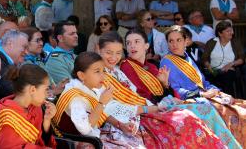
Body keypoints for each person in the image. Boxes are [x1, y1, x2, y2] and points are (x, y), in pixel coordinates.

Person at [54, 51, 225, 148]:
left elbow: (103, 114)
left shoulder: (91, 87)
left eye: (102, 70)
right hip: (80, 140)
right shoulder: (76, 96)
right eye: (97, 71)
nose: (103, 75)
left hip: (101, 130)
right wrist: (102, 103)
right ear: (81, 75)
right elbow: (84, 128)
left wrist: (119, 124)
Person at [97, 32, 226, 148]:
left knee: (209, 110)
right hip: (142, 112)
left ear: (146, 46)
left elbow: (160, 94)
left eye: (137, 42)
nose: (132, 46)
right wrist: (160, 103)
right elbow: (139, 96)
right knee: (192, 116)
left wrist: (165, 85)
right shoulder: (126, 66)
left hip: (155, 106)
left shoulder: (151, 66)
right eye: (129, 43)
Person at [162, 25, 246, 146]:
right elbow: (176, 90)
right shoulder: (167, 61)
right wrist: (202, 93)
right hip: (189, 99)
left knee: (238, 105)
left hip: (204, 95)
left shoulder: (187, 58)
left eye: (178, 40)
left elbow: (204, 82)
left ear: (186, 41)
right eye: (171, 41)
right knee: (229, 112)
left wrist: (219, 92)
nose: (174, 44)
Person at [0, 65, 57, 149]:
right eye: (46, 89)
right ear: (32, 90)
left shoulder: (35, 108)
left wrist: (47, 120)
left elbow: (42, 141)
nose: (47, 94)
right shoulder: (7, 118)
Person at [202, 21, 244, 97]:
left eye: (231, 30)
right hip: (213, 70)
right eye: (228, 31)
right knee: (208, 80)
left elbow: (242, 58)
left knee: (227, 78)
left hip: (228, 70)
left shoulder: (235, 42)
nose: (232, 33)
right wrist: (209, 66)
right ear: (220, 33)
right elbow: (205, 58)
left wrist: (232, 64)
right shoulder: (211, 42)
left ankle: (228, 101)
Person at [0, 30, 29, 105]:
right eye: (24, 47)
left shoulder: (6, 60)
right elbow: (9, 91)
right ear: (10, 44)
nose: (27, 52)